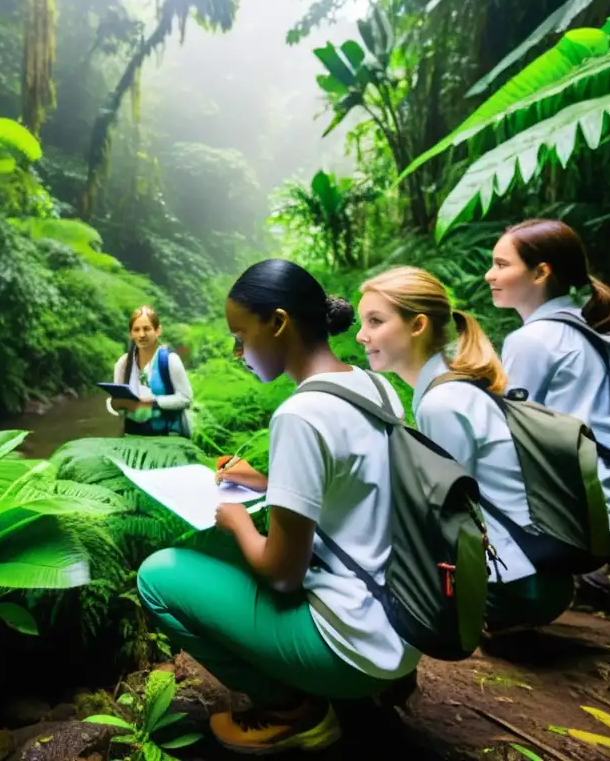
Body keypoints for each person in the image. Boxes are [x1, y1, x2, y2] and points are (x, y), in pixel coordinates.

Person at [136, 259, 420, 755]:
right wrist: (267, 482)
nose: (238, 351)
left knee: (158, 575)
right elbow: (353, 490)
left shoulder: (300, 414)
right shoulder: (374, 387)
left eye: (241, 335)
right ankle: (348, 693)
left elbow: (283, 574)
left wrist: (240, 521)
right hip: (403, 625)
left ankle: (295, 711)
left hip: (350, 649)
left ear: (280, 323)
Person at [356, 266, 574, 634]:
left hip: (519, 588)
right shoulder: (454, 385)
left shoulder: (442, 403)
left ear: (417, 325)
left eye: (375, 321)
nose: (362, 335)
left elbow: (444, 516)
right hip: (539, 573)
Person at [485, 220, 610, 567]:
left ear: (540, 272)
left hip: (579, 523)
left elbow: (507, 440)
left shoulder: (533, 340)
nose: (489, 276)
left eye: (502, 265)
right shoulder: (583, 324)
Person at [106, 305, 192, 437]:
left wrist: (154, 402)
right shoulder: (123, 364)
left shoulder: (169, 361)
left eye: (147, 329)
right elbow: (118, 406)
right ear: (131, 333)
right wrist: (115, 404)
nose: (141, 335)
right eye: (136, 330)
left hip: (168, 437)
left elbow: (186, 399)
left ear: (158, 331)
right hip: (132, 438)